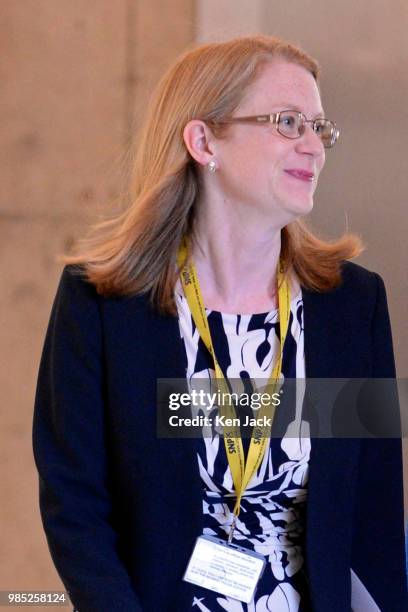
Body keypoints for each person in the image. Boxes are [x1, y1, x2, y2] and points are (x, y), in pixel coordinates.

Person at [33, 35, 407, 611]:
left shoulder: (351, 306)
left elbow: (376, 510)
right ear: (204, 140)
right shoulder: (102, 302)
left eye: (320, 128)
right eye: (288, 122)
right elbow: (75, 504)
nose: (315, 147)